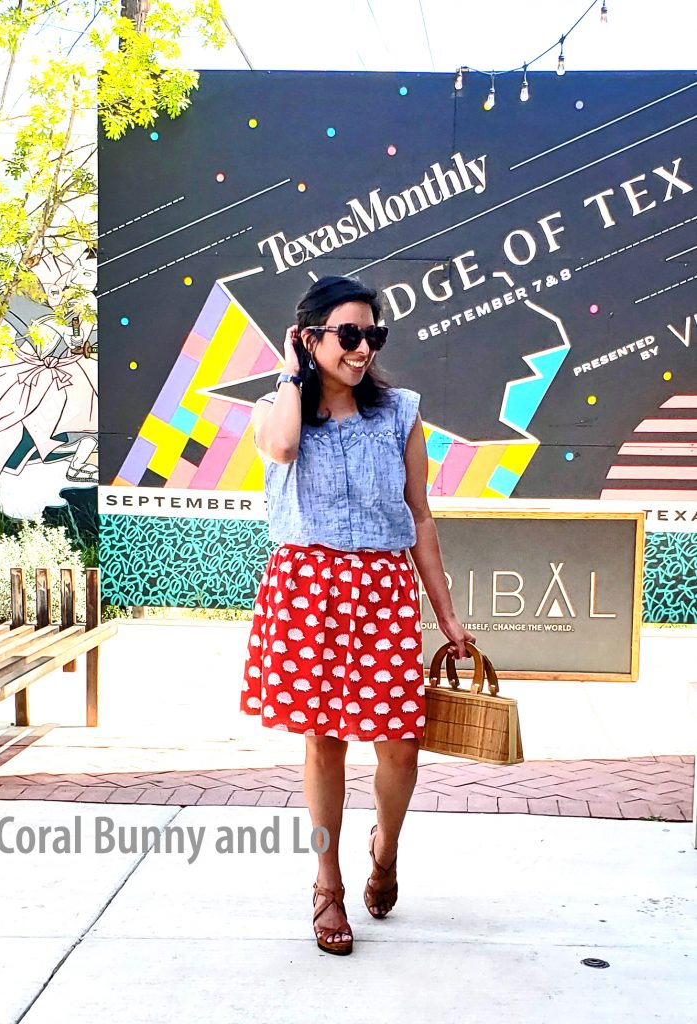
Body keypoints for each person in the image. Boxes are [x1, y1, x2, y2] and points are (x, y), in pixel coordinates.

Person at [240, 275, 473, 956]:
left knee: (400, 742)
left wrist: (445, 614)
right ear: (308, 337)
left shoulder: (399, 413)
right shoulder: (272, 410)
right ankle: (326, 883)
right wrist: (292, 373)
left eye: (374, 335)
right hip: (306, 591)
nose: (363, 348)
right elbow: (283, 449)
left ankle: (385, 848)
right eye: (347, 334)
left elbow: (419, 515)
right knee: (323, 743)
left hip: (382, 591)